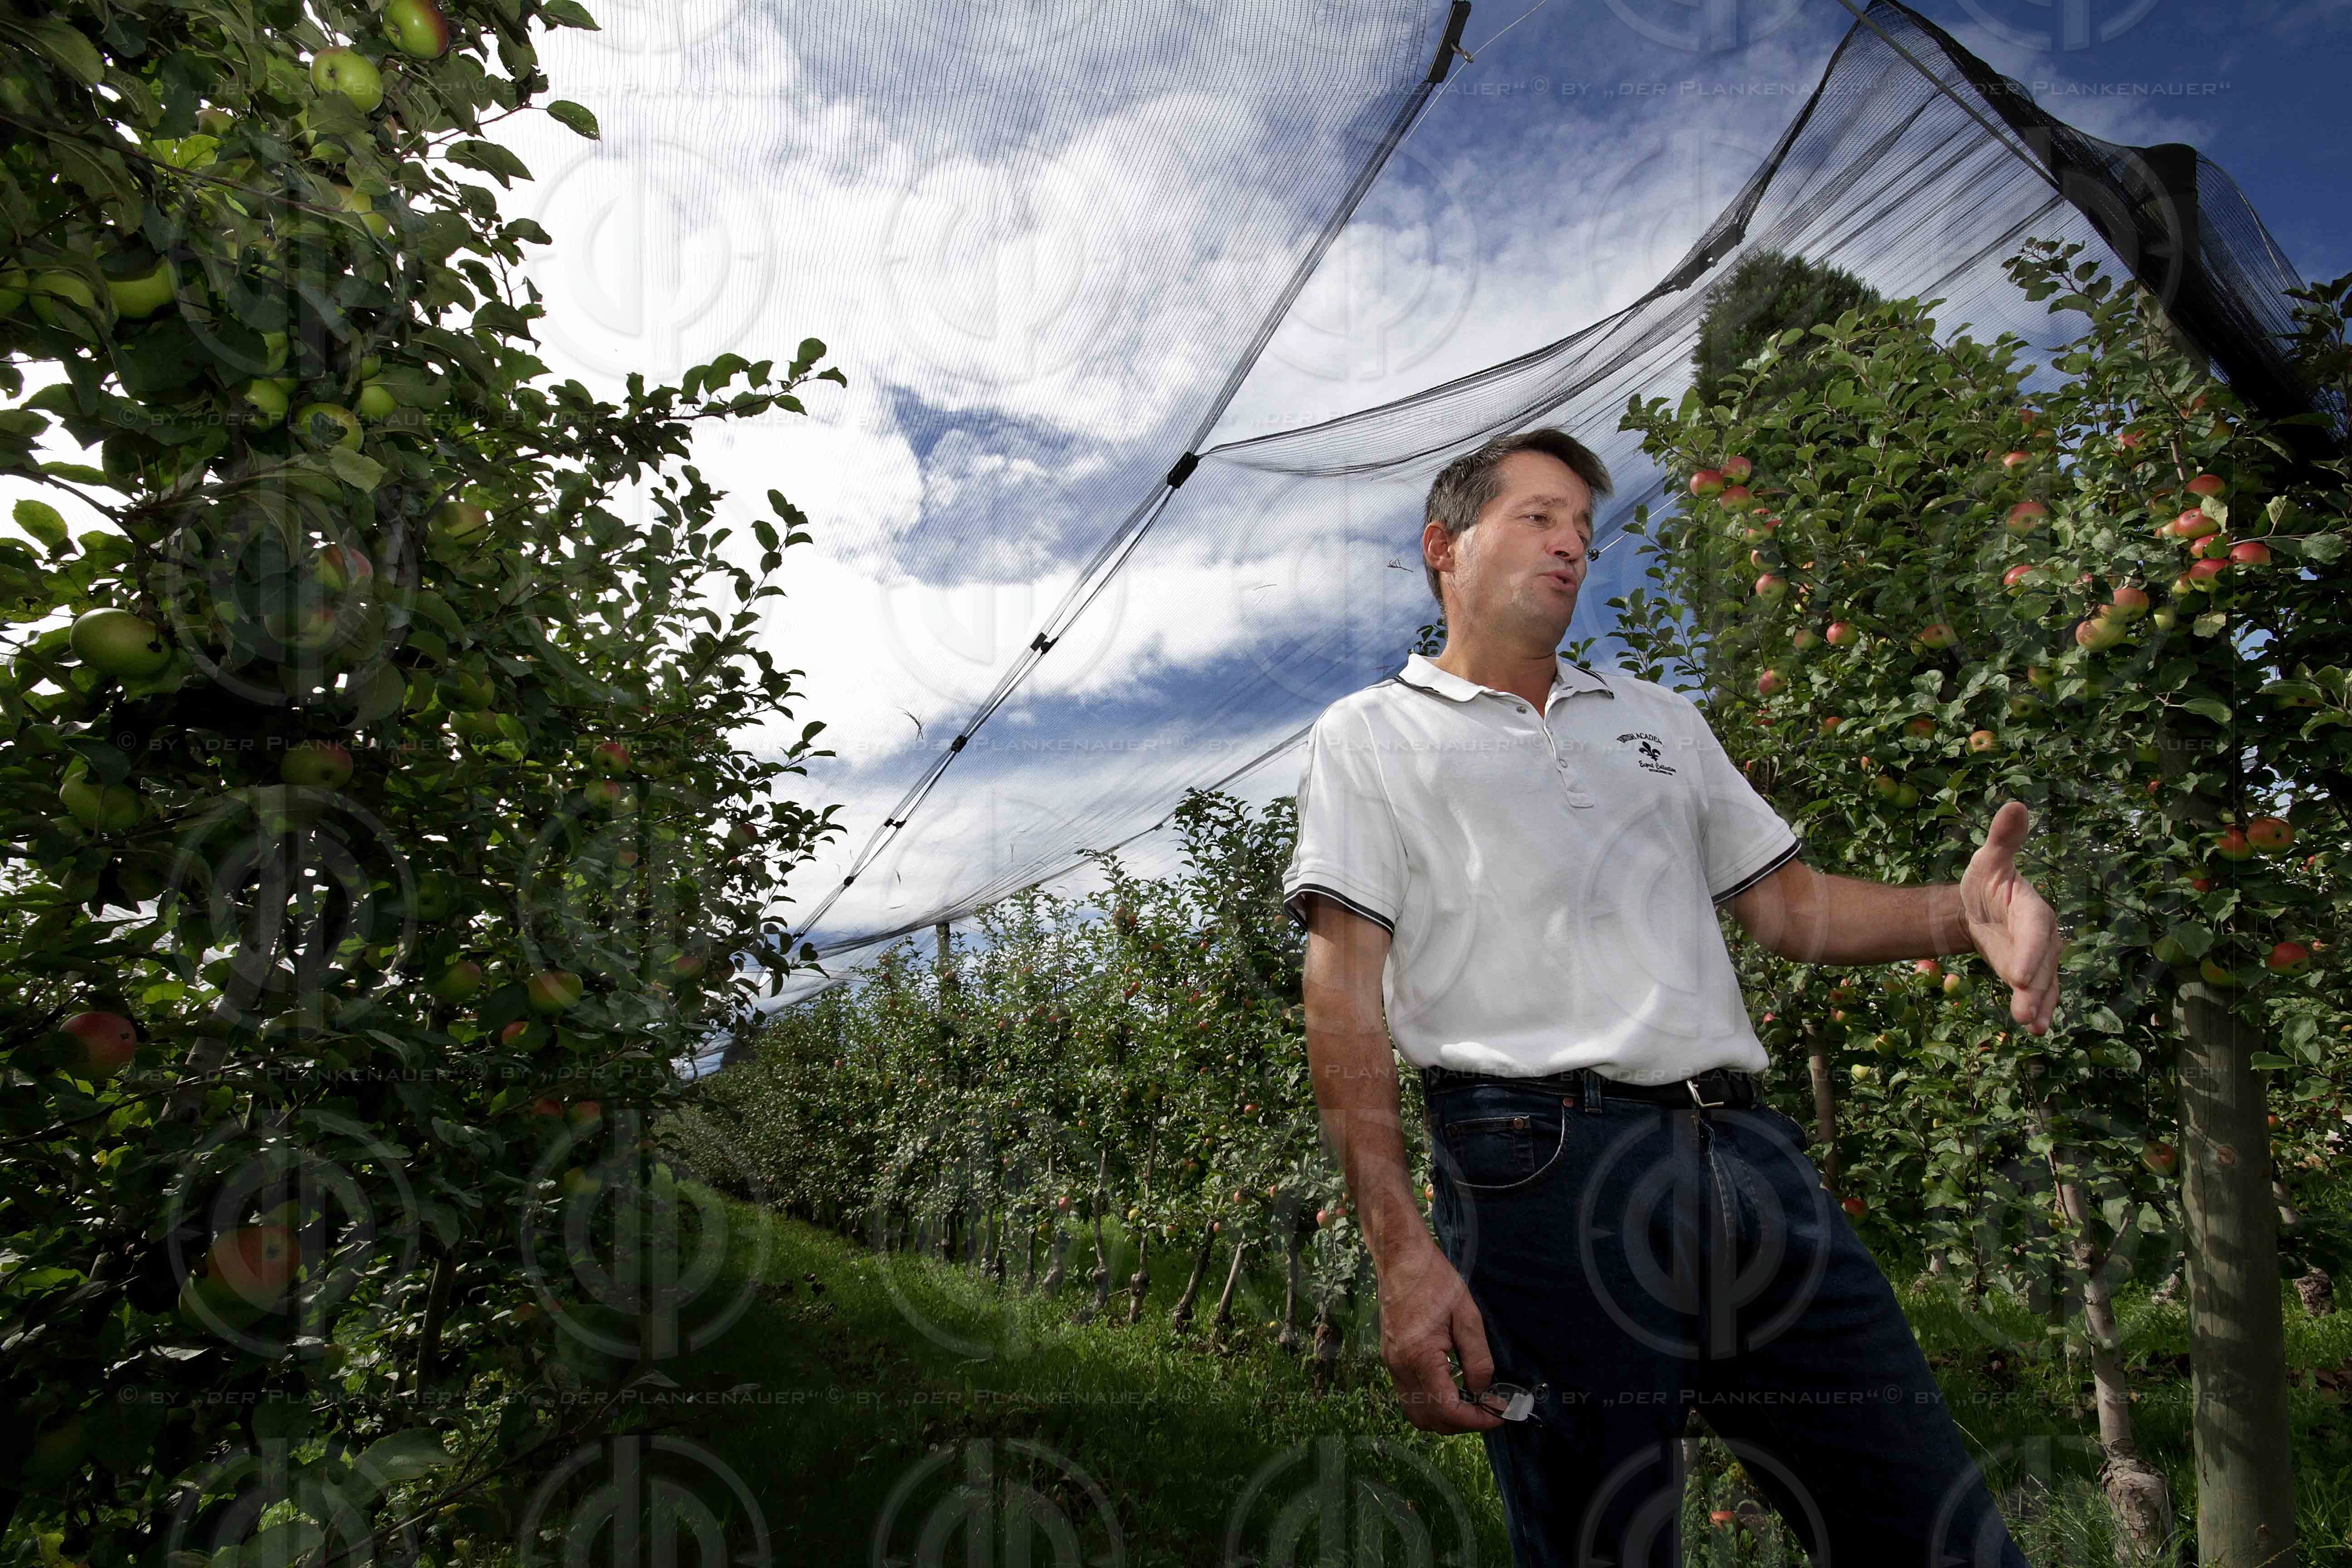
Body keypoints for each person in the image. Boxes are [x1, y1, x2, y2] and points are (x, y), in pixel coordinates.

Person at [1282, 426, 2058, 1567]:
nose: (1572, 548)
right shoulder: (1372, 736)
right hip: (1540, 1167)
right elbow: (1342, 993)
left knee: (1932, 1527)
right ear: (1443, 546)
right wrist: (1401, 1249)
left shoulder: (1658, 719)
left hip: (1747, 1157)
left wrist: (1965, 913)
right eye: (1539, 518)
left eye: (1585, 530)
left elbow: (1791, 909)